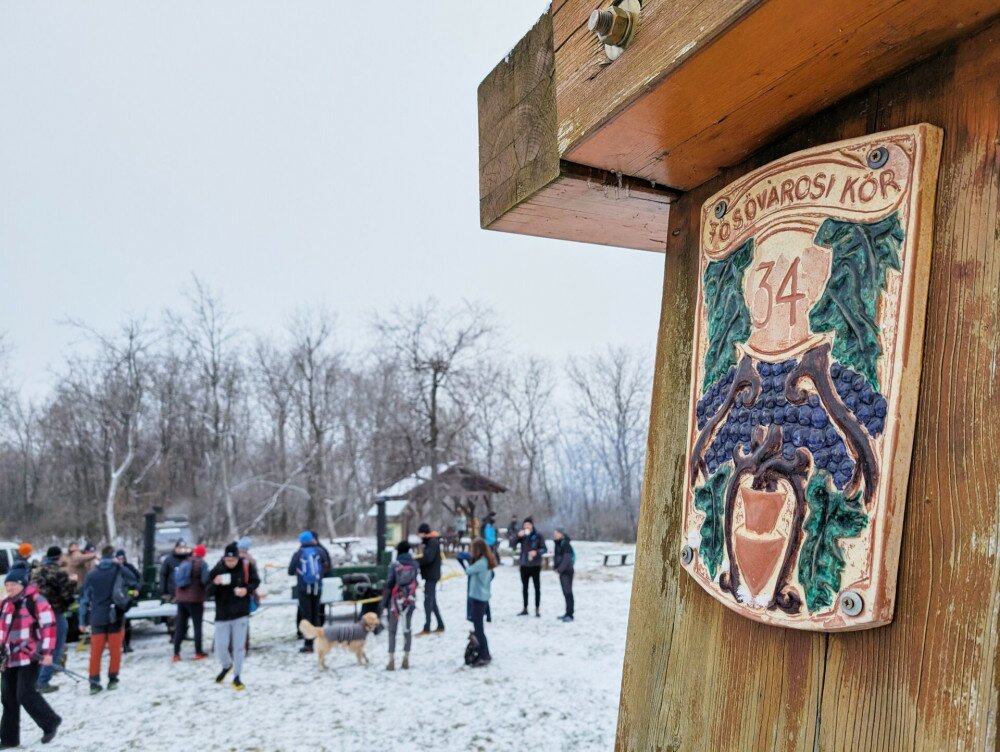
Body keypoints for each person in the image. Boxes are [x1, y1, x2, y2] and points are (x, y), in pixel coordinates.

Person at [0, 566, 61, 746]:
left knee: (25, 693)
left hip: (29, 655)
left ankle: (50, 722)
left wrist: (48, 652)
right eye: (6, 585)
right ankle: (9, 739)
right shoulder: (5, 603)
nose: (8, 588)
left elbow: (49, 627)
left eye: (12, 584)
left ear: (22, 584)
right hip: (8, 657)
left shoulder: (36, 600)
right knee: (8, 698)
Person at [79, 545, 138, 695]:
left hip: (97, 617)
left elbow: (84, 599)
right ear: (113, 557)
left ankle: (94, 682)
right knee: (115, 650)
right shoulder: (118, 570)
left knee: (96, 652)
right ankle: (112, 679)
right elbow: (133, 581)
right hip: (115, 616)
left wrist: (82, 620)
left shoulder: (91, 575)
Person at [206, 542, 260, 690]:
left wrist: (245, 590)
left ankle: (237, 676)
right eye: (227, 560)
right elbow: (207, 592)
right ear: (223, 559)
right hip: (222, 614)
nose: (230, 563)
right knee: (221, 647)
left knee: (239, 647)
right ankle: (226, 665)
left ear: (238, 558)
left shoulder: (246, 566)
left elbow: (256, 582)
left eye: (233, 560)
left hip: (240, 613)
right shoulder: (217, 569)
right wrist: (215, 584)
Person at [33, 547, 75, 694]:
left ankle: (35, 678)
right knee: (55, 647)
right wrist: (73, 583)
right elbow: (67, 595)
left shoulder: (36, 571)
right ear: (59, 557)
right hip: (54, 613)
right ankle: (43, 681)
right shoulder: (59, 573)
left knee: (40, 647)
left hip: (36, 614)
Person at [288, 532, 331, 654]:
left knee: (306, 616)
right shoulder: (320, 551)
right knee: (316, 614)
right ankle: (319, 642)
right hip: (317, 587)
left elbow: (290, 571)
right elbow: (327, 567)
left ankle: (308, 644)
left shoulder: (298, 553)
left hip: (303, 588)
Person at [457, 538, 495, 668]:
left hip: (478, 598)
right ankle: (485, 653)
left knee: (479, 629)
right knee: (479, 628)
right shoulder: (486, 561)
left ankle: (484, 655)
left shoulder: (481, 563)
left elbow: (468, 571)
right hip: (481, 597)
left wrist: (463, 561)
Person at [381, 541, 418, 671]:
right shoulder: (414, 564)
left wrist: (384, 602)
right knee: (407, 629)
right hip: (409, 601)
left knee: (392, 631)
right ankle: (406, 658)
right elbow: (415, 582)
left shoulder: (394, 565)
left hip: (395, 602)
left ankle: (391, 659)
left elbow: (389, 583)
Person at [172, 545, 210, 662]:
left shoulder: (185, 562)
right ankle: (198, 652)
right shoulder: (202, 564)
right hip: (195, 600)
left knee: (180, 626)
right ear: (203, 554)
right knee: (197, 626)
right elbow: (205, 580)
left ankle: (176, 653)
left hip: (181, 599)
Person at [415, 523, 444, 637]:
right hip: (430, 575)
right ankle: (440, 625)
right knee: (432, 602)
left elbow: (428, 558)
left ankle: (427, 627)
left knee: (428, 601)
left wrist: (417, 561)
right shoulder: (430, 542)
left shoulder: (432, 542)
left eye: (420, 533)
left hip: (431, 576)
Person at [517, 517, 546, 617]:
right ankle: (525, 608)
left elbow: (544, 549)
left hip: (535, 565)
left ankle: (537, 608)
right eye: (524, 525)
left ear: (532, 525)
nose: (526, 527)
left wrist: (536, 552)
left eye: (528, 525)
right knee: (524, 588)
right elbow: (511, 544)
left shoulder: (538, 536)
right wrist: (518, 536)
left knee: (537, 588)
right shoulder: (522, 536)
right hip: (524, 565)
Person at [114, 550, 141, 653]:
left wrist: (136, 590)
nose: (120, 561)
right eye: (118, 558)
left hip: (128, 595)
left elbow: (138, 580)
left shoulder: (129, 568)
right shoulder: (113, 570)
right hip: (116, 598)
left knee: (126, 622)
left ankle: (126, 644)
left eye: (122, 558)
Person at [552, 528, 576, 622]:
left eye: (557, 533)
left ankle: (570, 614)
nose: (555, 534)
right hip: (563, 572)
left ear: (561, 534)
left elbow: (567, 558)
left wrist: (559, 569)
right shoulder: (558, 543)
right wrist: (555, 567)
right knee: (565, 593)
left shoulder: (565, 544)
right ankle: (567, 613)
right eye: (555, 532)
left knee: (568, 592)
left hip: (567, 571)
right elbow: (557, 557)